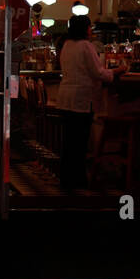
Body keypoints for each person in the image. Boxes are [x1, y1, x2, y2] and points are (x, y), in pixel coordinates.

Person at [56, 15, 125, 189]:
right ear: (84, 29)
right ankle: (78, 180)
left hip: (65, 99)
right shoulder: (86, 46)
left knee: (69, 142)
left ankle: (66, 178)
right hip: (81, 99)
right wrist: (119, 70)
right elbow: (98, 73)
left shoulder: (67, 45)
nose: (91, 30)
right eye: (89, 27)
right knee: (79, 142)